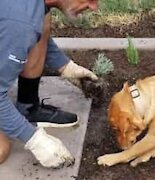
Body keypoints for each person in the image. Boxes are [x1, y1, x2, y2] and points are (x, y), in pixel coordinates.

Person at [0, 0, 99, 168]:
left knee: (42, 18)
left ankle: (28, 107)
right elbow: (20, 28)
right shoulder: (20, 21)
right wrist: (34, 140)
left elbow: (33, 35)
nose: (94, 6)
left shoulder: (33, 7)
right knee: (2, 148)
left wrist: (65, 66)